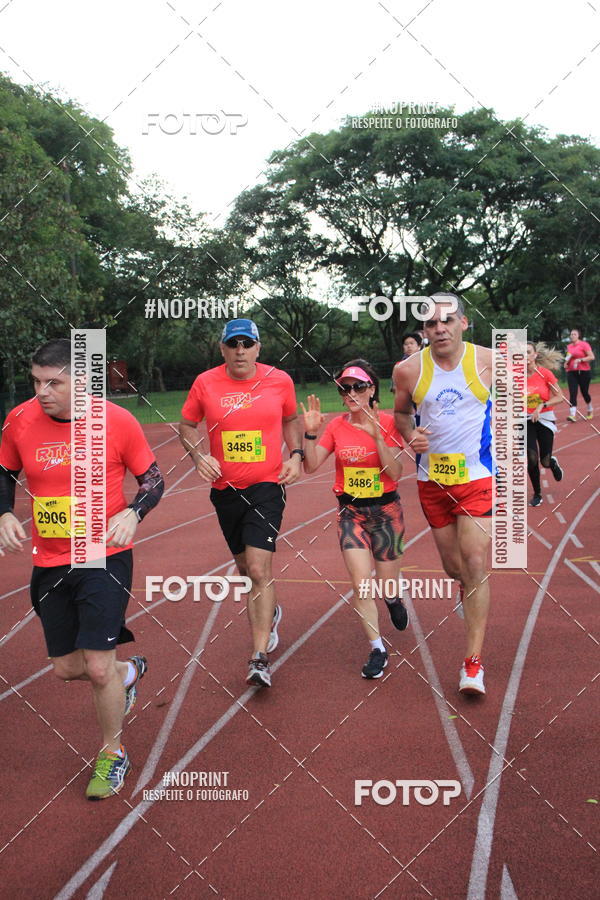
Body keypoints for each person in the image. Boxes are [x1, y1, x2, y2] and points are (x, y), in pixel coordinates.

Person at [0, 339, 164, 799]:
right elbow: (3, 470)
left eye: (54, 382)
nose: (42, 392)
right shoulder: (19, 420)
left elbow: (153, 478)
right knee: (66, 668)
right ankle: (128, 674)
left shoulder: (116, 421)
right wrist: (5, 513)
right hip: (50, 562)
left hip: (102, 557)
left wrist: (133, 513)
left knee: (95, 668)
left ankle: (113, 753)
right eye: (36, 382)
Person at [178, 319, 302, 689]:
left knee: (260, 569)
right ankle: (272, 612)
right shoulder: (206, 382)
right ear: (223, 349)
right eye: (234, 344)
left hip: (266, 485)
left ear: (259, 348)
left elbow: (291, 418)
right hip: (225, 490)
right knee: (245, 567)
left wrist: (295, 455)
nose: (241, 350)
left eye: (247, 344)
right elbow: (186, 425)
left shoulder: (279, 380)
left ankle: (258, 657)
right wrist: (199, 457)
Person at [393, 293, 494, 695]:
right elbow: (402, 413)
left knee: (474, 561)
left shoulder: (488, 360)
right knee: (454, 568)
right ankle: (464, 589)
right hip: (432, 482)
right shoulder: (408, 370)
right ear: (424, 330)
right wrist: (409, 434)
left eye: (447, 320)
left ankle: (472, 664)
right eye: (432, 323)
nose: (440, 328)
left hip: (478, 478)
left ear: (463, 323)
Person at [302, 360, 406, 679]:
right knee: (361, 583)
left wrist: (376, 437)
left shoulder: (389, 423)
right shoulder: (335, 426)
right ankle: (377, 648)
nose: (351, 393)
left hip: (387, 512)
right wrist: (310, 433)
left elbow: (397, 472)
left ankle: (392, 598)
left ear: (372, 389)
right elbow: (310, 466)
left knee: (387, 583)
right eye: (345, 388)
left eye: (358, 386)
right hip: (351, 513)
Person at [526, 342, 564, 507]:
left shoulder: (545, 374)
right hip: (526, 420)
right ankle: (537, 493)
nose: (524, 356)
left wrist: (542, 405)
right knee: (531, 457)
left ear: (535, 355)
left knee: (545, 461)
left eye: (528, 352)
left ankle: (552, 463)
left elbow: (560, 396)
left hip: (545, 418)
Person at [564, 328, 594, 421]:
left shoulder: (584, 345)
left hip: (584, 372)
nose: (572, 336)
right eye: (571, 334)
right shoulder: (569, 346)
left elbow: (592, 357)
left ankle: (589, 408)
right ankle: (572, 415)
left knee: (584, 392)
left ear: (578, 336)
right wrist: (566, 363)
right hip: (572, 372)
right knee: (573, 392)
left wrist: (581, 360)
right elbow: (568, 357)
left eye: (574, 334)